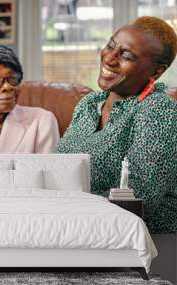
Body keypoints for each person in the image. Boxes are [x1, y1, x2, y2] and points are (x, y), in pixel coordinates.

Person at [56, 16, 177, 234]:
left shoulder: (158, 110)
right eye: (111, 45)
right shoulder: (89, 104)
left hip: (144, 241)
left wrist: (61, 201)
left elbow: (141, 199)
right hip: (77, 226)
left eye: (126, 55)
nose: (110, 58)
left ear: (156, 72)